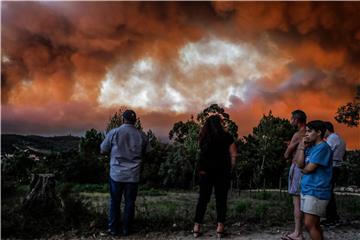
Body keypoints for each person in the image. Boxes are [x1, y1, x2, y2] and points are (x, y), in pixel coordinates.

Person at [100, 110, 149, 236]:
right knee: (130, 203)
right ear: (135, 120)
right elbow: (148, 151)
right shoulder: (141, 135)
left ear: (123, 119)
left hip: (116, 174)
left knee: (115, 202)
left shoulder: (114, 132)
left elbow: (103, 149)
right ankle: (127, 229)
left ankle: (113, 229)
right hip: (133, 175)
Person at [193, 115, 237, 238]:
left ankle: (197, 228)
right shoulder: (227, 136)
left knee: (203, 199)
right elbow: (234, 155)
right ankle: (220, 229)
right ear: (220, 123)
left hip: (205, 172)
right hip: (222, 172)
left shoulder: (203, 137)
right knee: (221, 200)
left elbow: (201, 155)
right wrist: (230, 169)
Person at [295, 120, 333, 240]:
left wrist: (304, 169)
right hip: (308, 189)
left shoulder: (323, 147)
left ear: (318, 132)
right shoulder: (310, 147)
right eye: (306, 131)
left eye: (309, 131)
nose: (306, 134)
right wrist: (301, 147)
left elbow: (309, 169)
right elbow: (300, 164)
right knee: (314, 224)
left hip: (317, 190)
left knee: (309, 224)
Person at [282, 110, 307, 240]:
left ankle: (298, 233)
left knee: (296, 201)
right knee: (303, 200)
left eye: (291, 119)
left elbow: (286, 155)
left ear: (296, 120)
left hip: (297, 168)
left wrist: (291, 146)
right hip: (307, 169)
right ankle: (301, 231)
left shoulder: (298, 134)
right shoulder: (310, 132)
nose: (290, 121)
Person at [323, 121, 346, 225]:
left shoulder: (331, 138)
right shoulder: (340, 138)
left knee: (328, 193)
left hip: (331, 167)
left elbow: (324, 152)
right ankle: (333, 217)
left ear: (327, 130)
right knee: (330, 193)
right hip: (337, 167)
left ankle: (331, 219)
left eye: (323, 131)